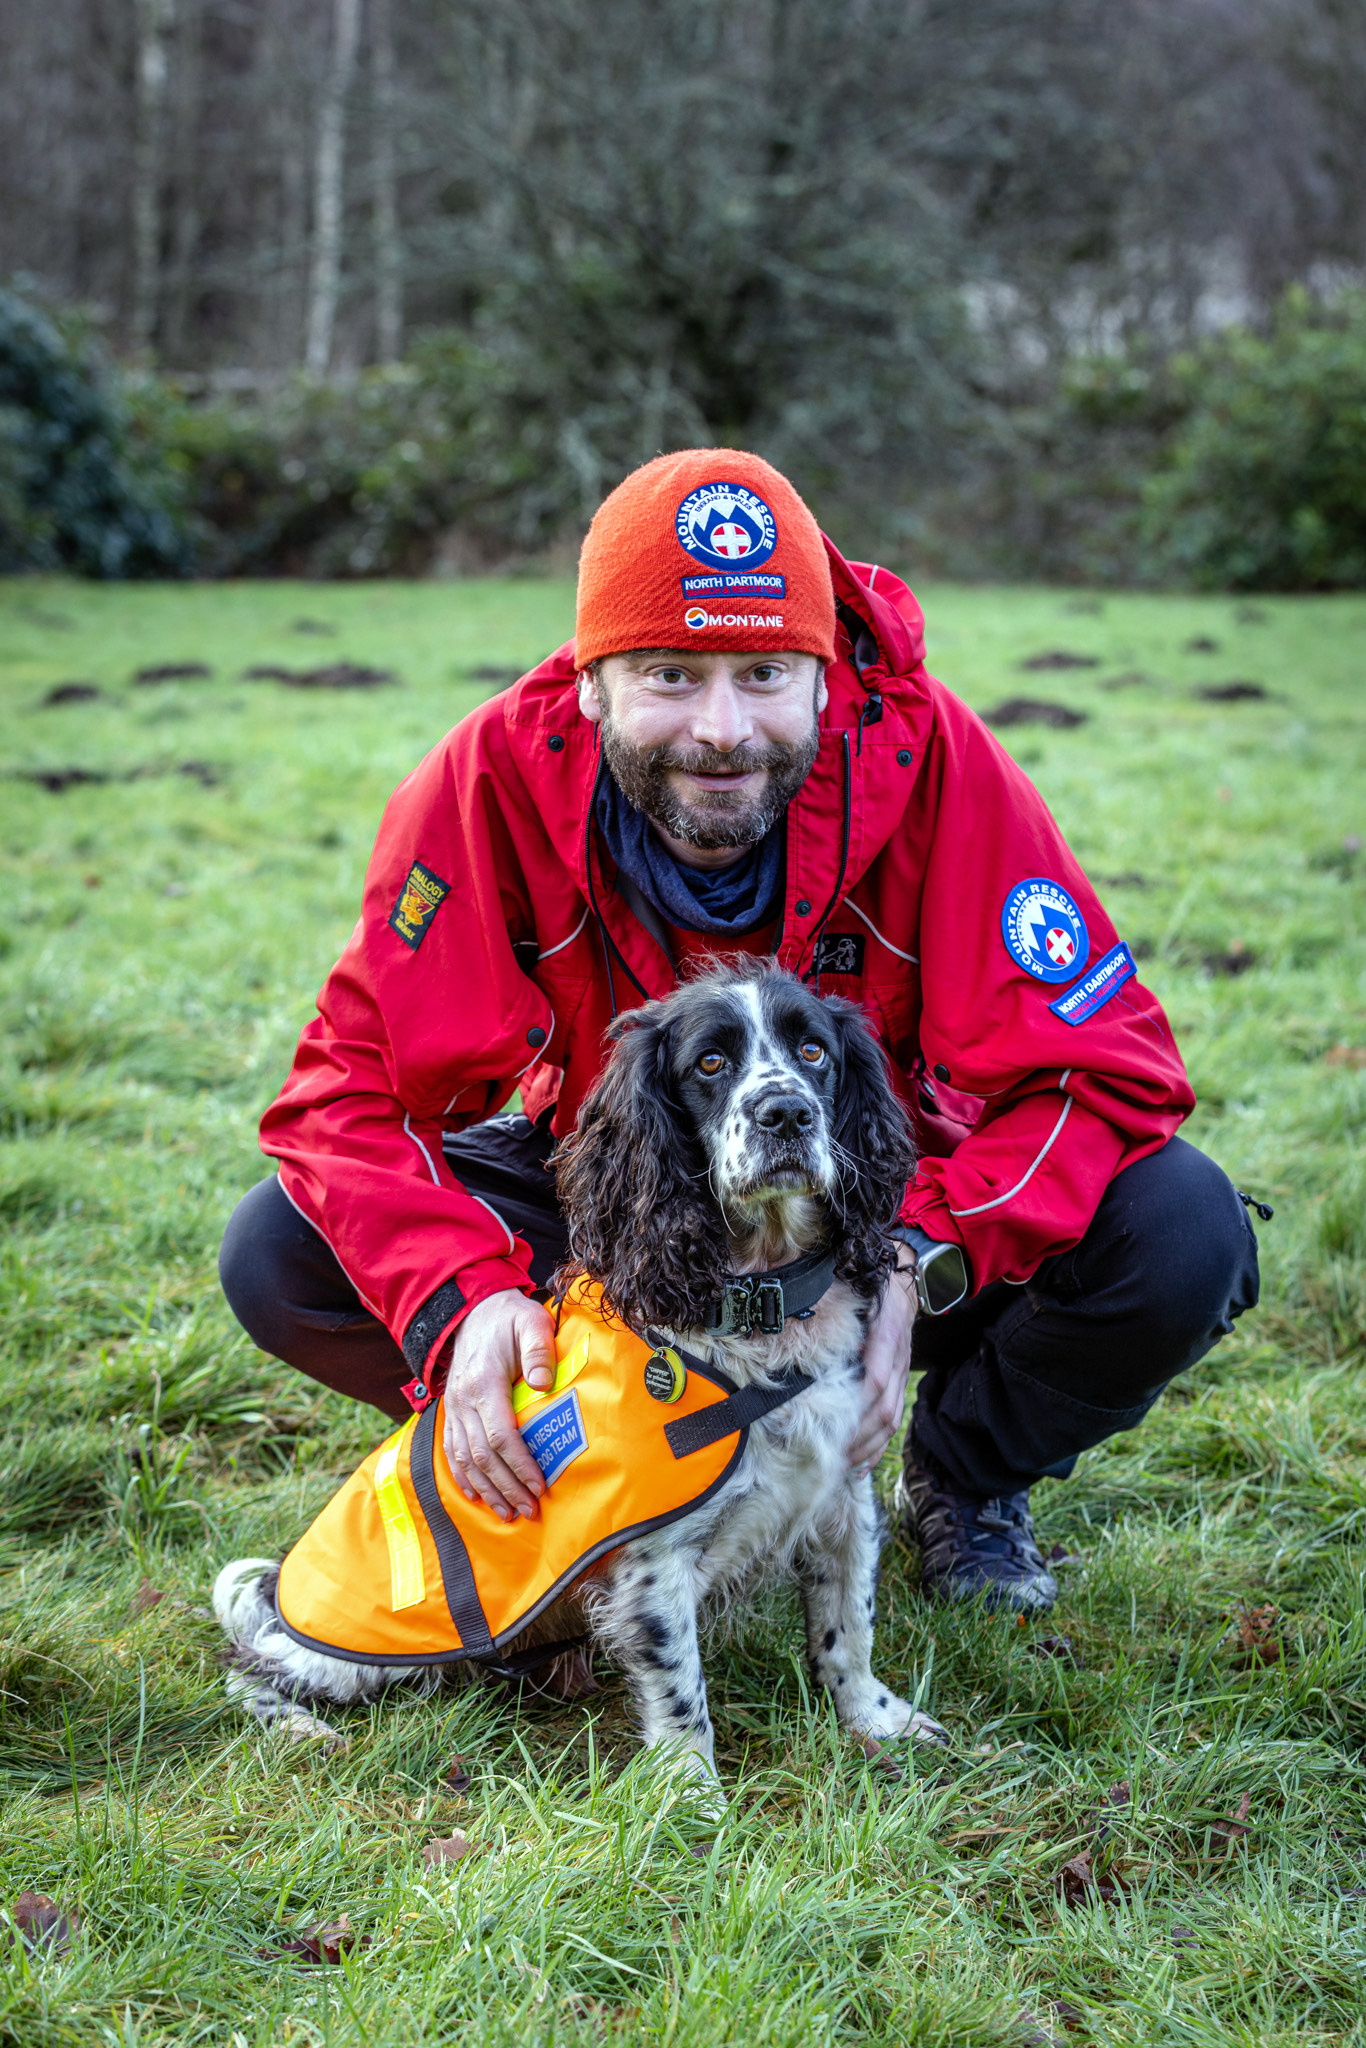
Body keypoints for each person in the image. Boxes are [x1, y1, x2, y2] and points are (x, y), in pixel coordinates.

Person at [220, 448, 1260, 1617]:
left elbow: (1106, 1068)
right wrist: (465, 1298)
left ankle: (960, 1481)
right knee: (282, 1252)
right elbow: (342, 1098)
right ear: (590, 681)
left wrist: (920, 1248)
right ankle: (592, 1466)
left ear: (822, 678)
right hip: (631, 1210)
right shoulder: (485, 779)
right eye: (669, 673)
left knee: (1182, 1230)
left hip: (868, 1205)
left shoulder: (932, 760)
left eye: (765, 672)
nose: (722, 730)